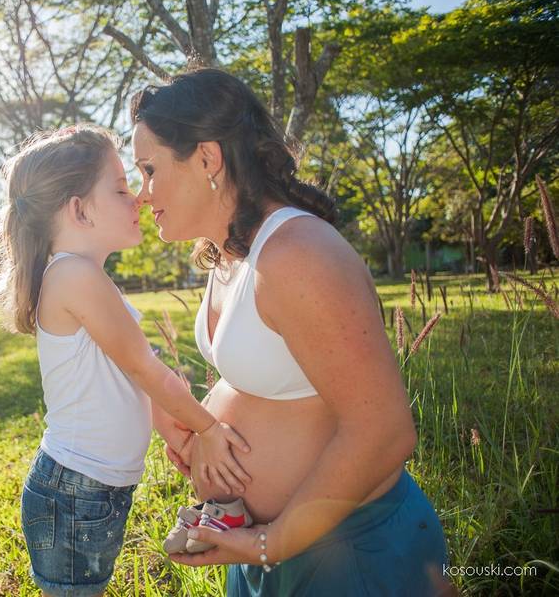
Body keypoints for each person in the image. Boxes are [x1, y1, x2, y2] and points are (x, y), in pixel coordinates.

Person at [129, 68, 452, 596]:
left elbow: (385, 431)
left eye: (149, 169)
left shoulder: (297, 254)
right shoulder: (228, 254)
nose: (142, 194)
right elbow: (267, 374)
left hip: (346, 549)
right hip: (268, 545)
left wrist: (272, 542)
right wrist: (202, 432)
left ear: (207, 158)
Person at [0, 124, 252, 597]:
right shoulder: (72, 276)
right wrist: (208, 429)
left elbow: (130, 377)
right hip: (74, 489)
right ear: (79, 209)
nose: (140, 200)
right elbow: (146, 369)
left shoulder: (86, 276)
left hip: (92, 487)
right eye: (123, 188)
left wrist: (172, 428)